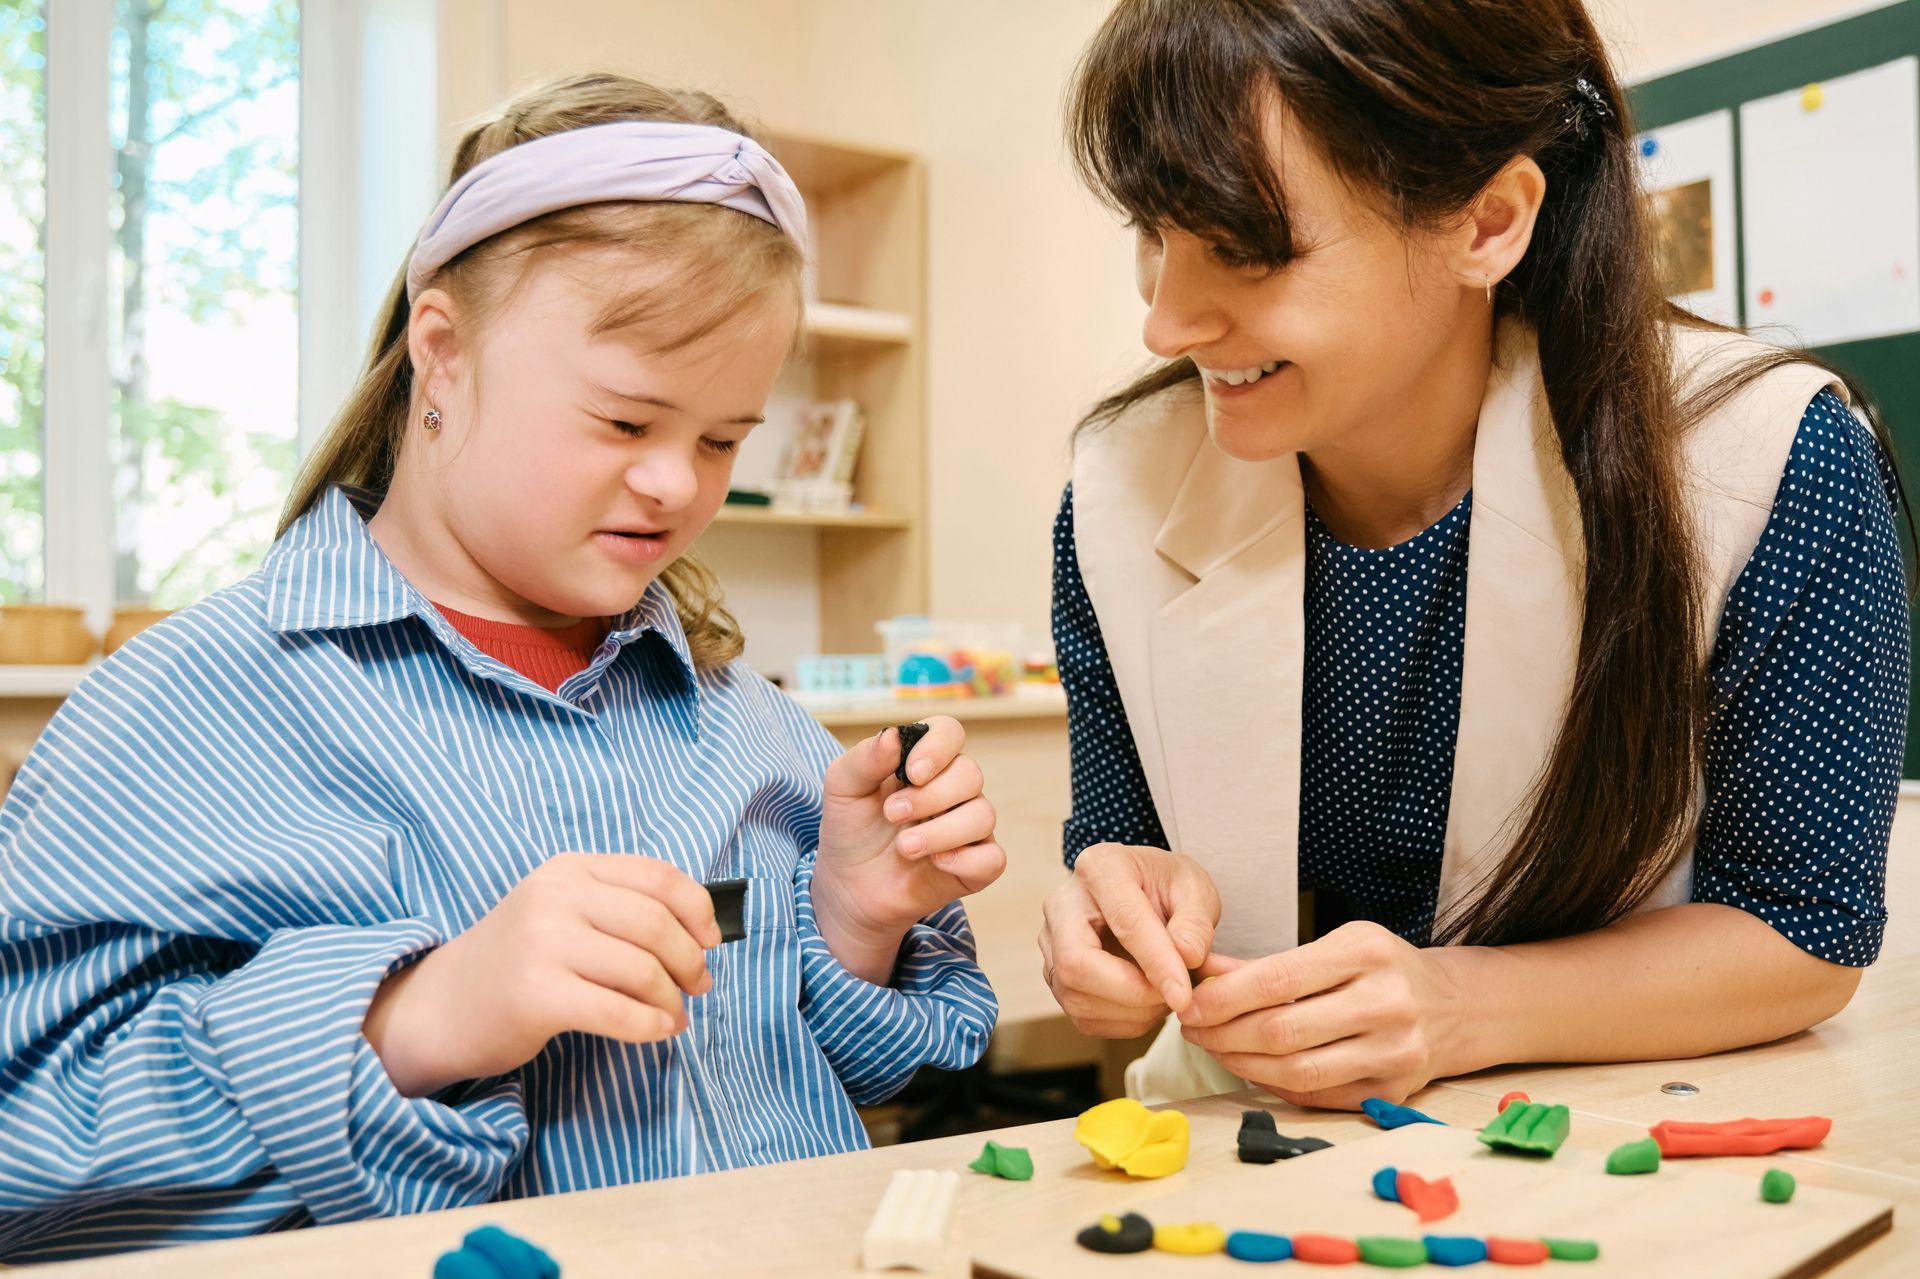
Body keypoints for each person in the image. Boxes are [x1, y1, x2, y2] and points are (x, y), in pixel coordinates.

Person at [0, 74, 1003, 1261]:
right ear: (445, 354)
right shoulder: (179, 713)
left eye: (722, 439)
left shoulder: (757, 732)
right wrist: (412, 1018)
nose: (678, 483)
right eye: (626, 423)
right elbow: (28, 1143)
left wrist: (850, 923)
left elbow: (841, 1085)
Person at [1039, 0, 1907, 1108]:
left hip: (1611, 1142)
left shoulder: (1766, 460)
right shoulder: (1118, 493)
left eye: (1246, 247)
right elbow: (1125, 849)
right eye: (1151, 236)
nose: (1166, 323)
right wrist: (1115, 921)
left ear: (1488, 222)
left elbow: (1805, 934)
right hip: (1247, 1150)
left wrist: (1459, 1005)